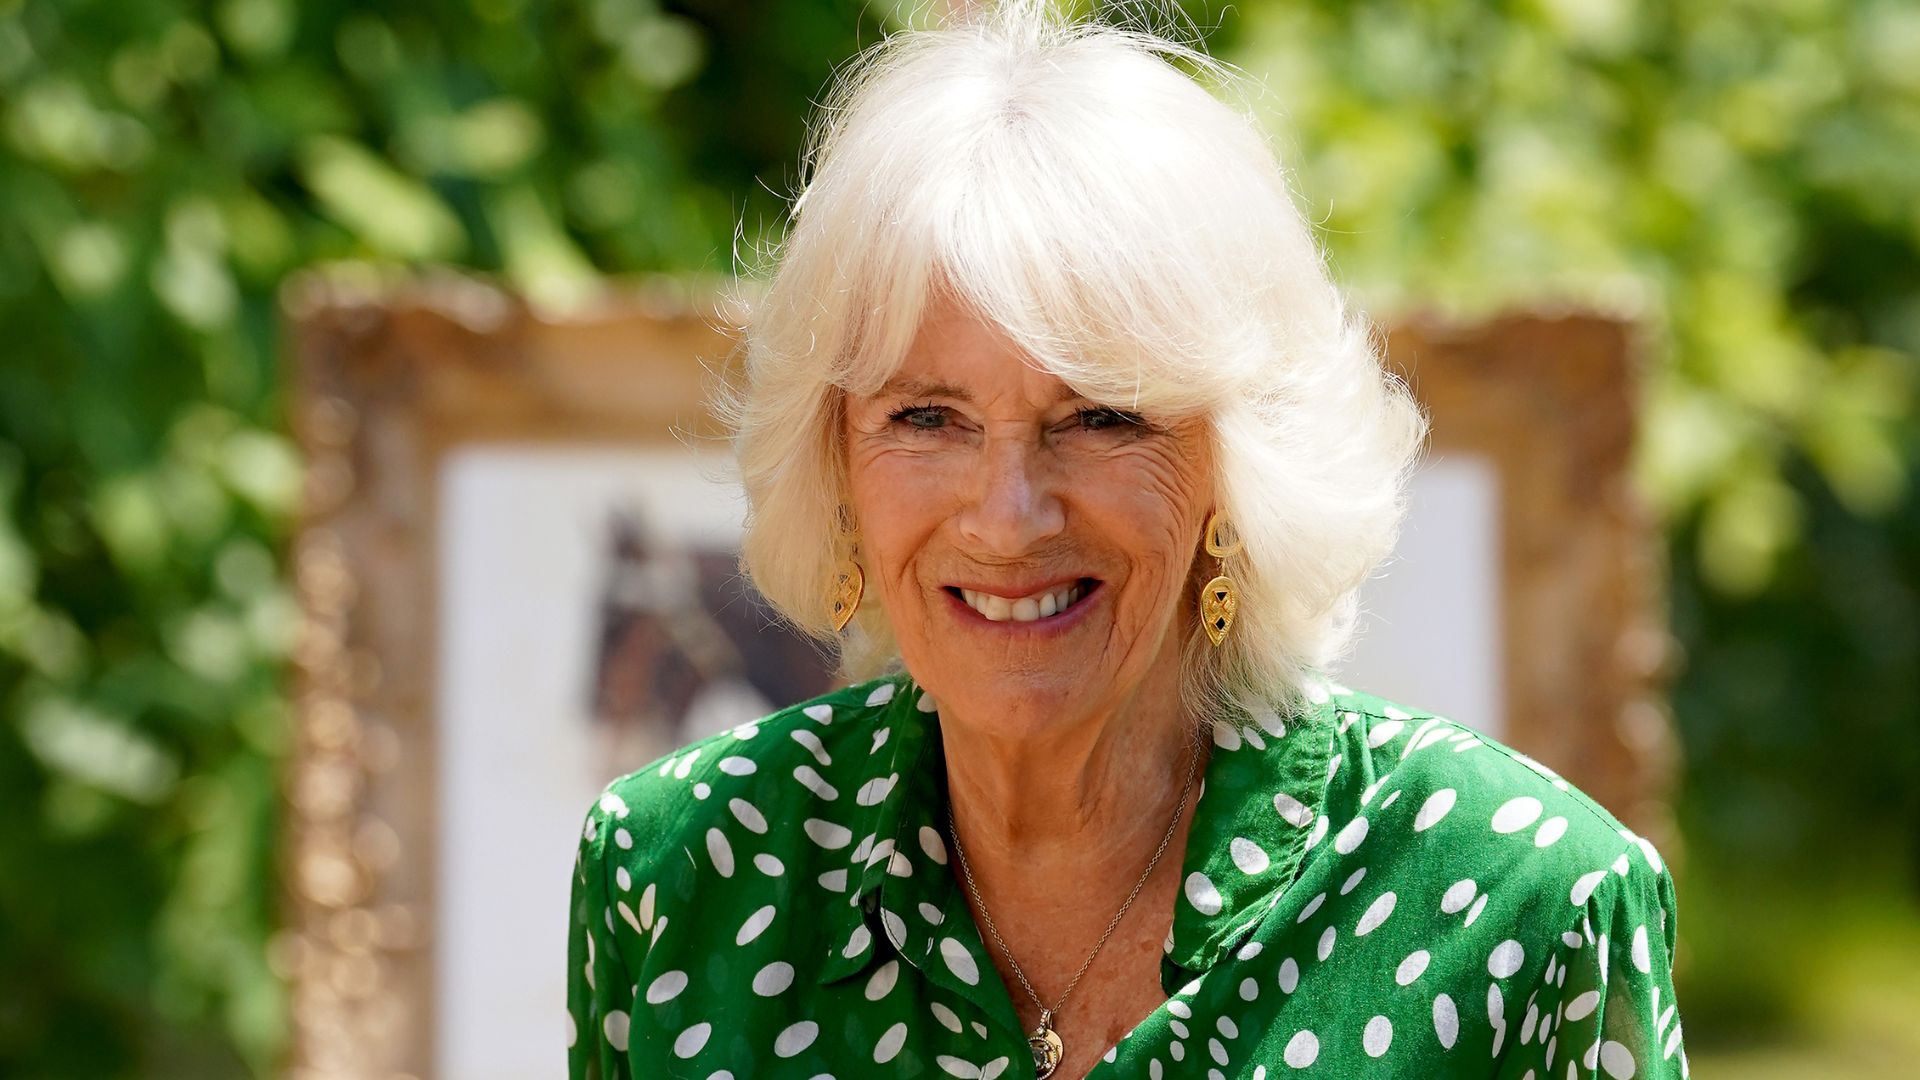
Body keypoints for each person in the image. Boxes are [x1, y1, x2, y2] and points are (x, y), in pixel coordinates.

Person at [566, 2, 1690, 1077]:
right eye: (928, 418)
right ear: (835, 462)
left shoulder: (1527, 902)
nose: (1008, 517)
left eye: (1101, 417)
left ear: (1237, 470)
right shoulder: (676, 874)